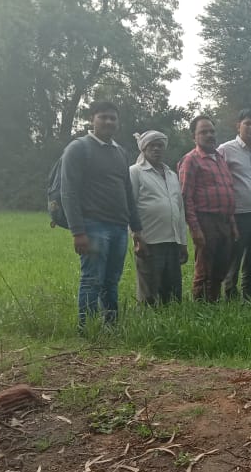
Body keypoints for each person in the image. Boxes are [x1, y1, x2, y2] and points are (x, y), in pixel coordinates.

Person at [59, 100, 144, 328]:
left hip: (119, 227)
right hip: (93, 225)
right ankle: (87, 330)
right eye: (103, 117)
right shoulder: (78, 148)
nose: (108, 121)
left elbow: (127, 192)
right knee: (92, 280)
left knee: (111, 281)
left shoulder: (120, 152)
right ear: (92, 119)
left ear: (118, 122)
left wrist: (136, 228)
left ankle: (110, 328)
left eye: (112, 118)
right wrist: (78, 231)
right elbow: (69, 192)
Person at [178, 115, 237, 302]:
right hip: (205, 221)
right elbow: (186, 198)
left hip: (225, 221)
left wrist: (232, 224)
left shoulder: (219, 158)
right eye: (203, 132)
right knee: (205, 268)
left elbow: (228, 191)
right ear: (194, 137)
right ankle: (202, 306)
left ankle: (214, 301)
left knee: (221, 266)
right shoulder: (190, 160)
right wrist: (195, 229)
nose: (209, 135)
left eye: (212, 131)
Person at [129, 130, 187, 305]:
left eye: (160, 145)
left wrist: (183, 242)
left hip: (172, 241)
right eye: (152, 146)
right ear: (143, 149)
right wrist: (136, 237)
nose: (156, 149)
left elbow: (179, 210)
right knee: (149, 292)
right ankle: (148, 319)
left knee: (172, 291)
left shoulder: (171, 175)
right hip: (149, 240)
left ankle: (171, 318)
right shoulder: (135, 172)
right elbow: (130, 206)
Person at [218, 110, 251, 300]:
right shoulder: (225, 150)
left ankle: (250, 295)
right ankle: (230, 294)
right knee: (233, 258)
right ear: (238, 125)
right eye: (248, 123)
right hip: (237, 215)